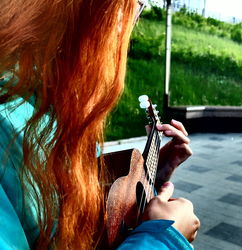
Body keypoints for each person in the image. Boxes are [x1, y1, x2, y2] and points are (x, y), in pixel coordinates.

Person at [0, 0, 200, 249]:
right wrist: (163, 239)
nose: (130, 25)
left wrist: (150, 179)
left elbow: (91, 220)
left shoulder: (57, 105)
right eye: (135, 6)